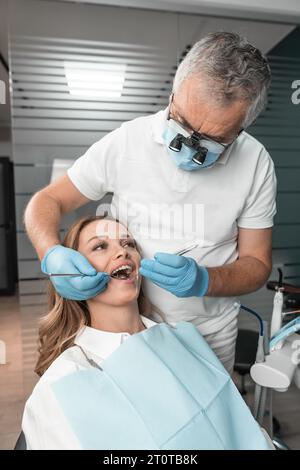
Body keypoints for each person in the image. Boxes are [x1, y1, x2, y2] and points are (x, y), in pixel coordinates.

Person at [24, 32, 277, 375]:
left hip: (209, 335)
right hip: (128, 332)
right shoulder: (127, 142)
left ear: (242, 128)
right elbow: (48, 199)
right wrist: (49, 253)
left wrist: (205, 280)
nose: (188, 146)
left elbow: (257, 265)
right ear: (174, 92)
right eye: (183, 123)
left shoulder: (256, 163)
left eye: (212, 141)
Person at [22, 216, 272, 450]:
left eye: (129, 243)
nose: (123, 252)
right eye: (100, 246)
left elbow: (238, 423)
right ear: (71, 273)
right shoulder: (64, 381)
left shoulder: (183, 338)